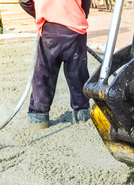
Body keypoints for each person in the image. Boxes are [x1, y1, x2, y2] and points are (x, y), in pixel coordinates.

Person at [20, 0, 92, 130]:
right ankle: (82, 115)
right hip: (74, 29)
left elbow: (25, 1)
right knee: (78, 75)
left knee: (43, 75)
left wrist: (43, 14)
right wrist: (79, 15)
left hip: (49, 29)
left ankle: (38, 119)